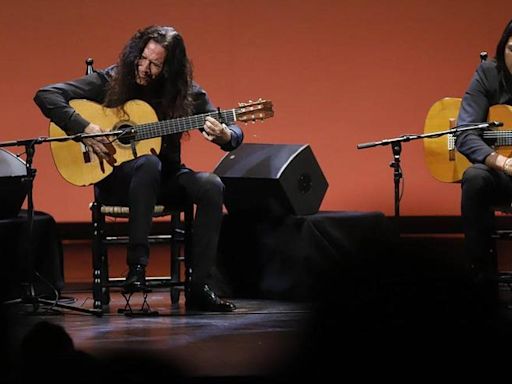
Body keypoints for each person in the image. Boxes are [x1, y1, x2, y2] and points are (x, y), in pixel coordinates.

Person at [34, 25, 243, 312]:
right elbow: (46, 95)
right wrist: (86, 128)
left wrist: (226, 135)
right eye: (142, 59)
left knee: (211, 185)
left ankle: (200, 287)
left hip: (166, 180)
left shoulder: (186, 93)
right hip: (118, 182)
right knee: (147, 163)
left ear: (170, 68)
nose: (144, 68)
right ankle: (137, 268)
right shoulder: (112, 80)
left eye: (155, 64)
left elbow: (231, 129)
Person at [455, 19, 512, 307]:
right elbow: (464, 133)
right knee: (475, 177)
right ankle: (480, 281)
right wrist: (501, 162)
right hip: (503, 176)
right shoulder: (488, 74)